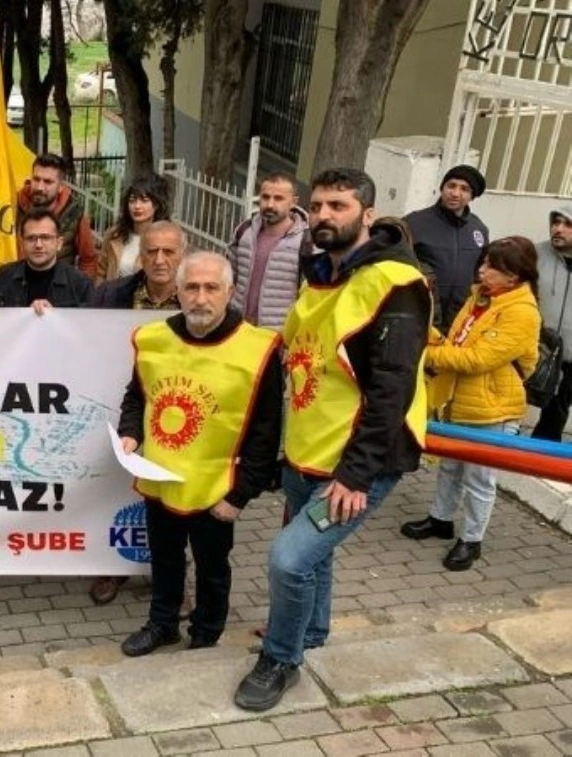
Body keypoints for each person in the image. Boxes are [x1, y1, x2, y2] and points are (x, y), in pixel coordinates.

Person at [234, 168, 431, 712]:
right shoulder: (322, 272)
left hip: (355, 463)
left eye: (338, 206)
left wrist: (356, 476)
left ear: (367, 214)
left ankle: (281, 658)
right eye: (318, 205)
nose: (324, 215)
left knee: (289, 559)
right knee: (314, 559)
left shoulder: (394, 284)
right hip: (307, 452)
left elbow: (392, 390)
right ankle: (312, 632)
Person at [117, 251, 282, 654]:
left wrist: (239, 495)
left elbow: (266, 432)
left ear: (230, 291)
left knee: (212, 567)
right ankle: (163, 624)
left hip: (217, 486)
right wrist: (130, 434)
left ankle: (206, 634)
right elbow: (137, 395)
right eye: (191, 287)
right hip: (161, 476)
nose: (201, 298)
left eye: (211, 288)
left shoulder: (257, 349)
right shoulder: (154, 339)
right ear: (177, 291)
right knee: (164, 558)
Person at [402, 237, 540, 570]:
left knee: (480, 478)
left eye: (492, 266)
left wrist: (427, 354)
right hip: (460, 398)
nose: (482, 270)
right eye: (484, 262)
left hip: (492, 406)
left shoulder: (522, 312)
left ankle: (471, 540)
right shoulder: (481, 296)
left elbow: (477, 359)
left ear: (514, 275)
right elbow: (458, 341)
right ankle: (440, 519)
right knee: (450, 466)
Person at [85, 220, 186, 606]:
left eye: (169, 252)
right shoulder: (111, 295)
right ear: (140, 256)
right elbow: (78, 333)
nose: (160, 260)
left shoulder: (197, 297)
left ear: (182, 255)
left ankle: (171, 577)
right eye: (152, 251)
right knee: (116, 485)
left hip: (179, 411)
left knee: (173, 496)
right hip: (119, 403)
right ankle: (114, 565)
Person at [405, 164, 490, 331]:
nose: (455, 193)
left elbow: (481, 274)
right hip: (420, 317)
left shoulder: (479, 229)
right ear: (442, 188)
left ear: (472, 196)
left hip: (458, 321)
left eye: (464, 189)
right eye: (451, 186)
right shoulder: (414, 223)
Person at [227, 172, 313, 331]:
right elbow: (228, 278)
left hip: (277, 335)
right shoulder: (244, 232)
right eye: (265, 197)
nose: (270, 205)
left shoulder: (306, 241)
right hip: (237, 328)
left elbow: (309, 296)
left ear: (293, 202)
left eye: (278, 198)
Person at [0, 210, 93, 310]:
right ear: (22, 244)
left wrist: (55, 316)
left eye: (45, 238)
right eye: (31, 238)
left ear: (59, 243)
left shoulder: (80, 284)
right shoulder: (2, 278)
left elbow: (87, 322)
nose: (38, 245)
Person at [15, 153, 98, 276]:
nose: (40, 187)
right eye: (36, 179)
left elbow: (89, 260)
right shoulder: (14, 204)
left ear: (60, 187)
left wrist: (80, 286)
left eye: (48, 182)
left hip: (59, 284)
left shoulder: (74, 214)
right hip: (16, 282)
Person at [532, 204, 572, 441]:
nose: (558, 229)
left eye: (567, 224)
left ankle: (536, 456)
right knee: (511, 405)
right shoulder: (534, 254)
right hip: (533, 347)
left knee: (555, 415)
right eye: (556, 222)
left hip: (569, 356)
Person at [96, 176, 170, 284]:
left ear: (156, 205)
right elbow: (101, 272)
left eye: (144, 201)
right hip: (113, 293)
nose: (137, 206)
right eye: (132, 200)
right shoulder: (114, 234)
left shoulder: (166, 239)